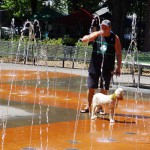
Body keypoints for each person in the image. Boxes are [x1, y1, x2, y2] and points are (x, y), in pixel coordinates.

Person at [80, 19, 122, 113]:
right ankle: (89, 106)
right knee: (91, 87)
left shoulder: (115, 38)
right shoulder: (97, 35)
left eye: (105, 28)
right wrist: (97, 33)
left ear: (110, 28)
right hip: (94, 65)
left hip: (108, 66)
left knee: (104, 88)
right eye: (102, 27)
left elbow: (119, 53)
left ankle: (100, 108)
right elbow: (84, 40)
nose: (103, 29)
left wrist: (118, 67)